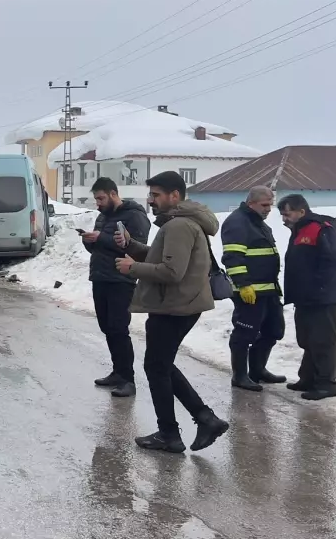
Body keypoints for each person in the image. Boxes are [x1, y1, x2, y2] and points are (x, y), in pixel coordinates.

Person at [114, 171, 229, 453]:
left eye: (156, 195)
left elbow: (172, 271)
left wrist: (132, 268)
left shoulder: (179, 225)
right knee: (160, 365)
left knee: (157, 367)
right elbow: (163, 257)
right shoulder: (181, 222)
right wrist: (132, 246)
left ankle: (170, 433)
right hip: (179, 304)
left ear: (174, 195)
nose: (150, 200)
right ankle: (205, 419)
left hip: (175, 306)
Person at [82, 177, 151, 399]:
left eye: (101, 198)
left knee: (119, 328)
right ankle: (117, 372)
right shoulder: (103, 216)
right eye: (96, 199)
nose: (98, 203)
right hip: (100, 277)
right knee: (107, 327)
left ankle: (128, 379)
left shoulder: (134, 215)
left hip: (121, 279)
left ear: (113, 194)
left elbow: (136, 249)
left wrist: (101, 237)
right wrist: (89, 240)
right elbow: (99, 248)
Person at [221, 186, 285, 391]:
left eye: (270, 205)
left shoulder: (258, 223)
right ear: (251, 203)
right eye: (264, 205)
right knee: (244, 334)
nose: (268, 209)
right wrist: (243, 285)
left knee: (273, 330)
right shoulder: (237, 222)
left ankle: (257, 370)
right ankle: (239, 375)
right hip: (250, 292)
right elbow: (232, 257)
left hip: (269, 290)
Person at [279, 194, 336, 400]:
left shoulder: (321, 228)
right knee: (307, 339)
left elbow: (333, 261)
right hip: (305, 298)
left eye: (287, 214)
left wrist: (319, 287)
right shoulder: (299, 230)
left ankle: (327, 384)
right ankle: (308, 378)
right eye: (282, 215)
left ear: (301, 211)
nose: (284, 219)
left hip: (322, 297)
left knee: (323, 340)